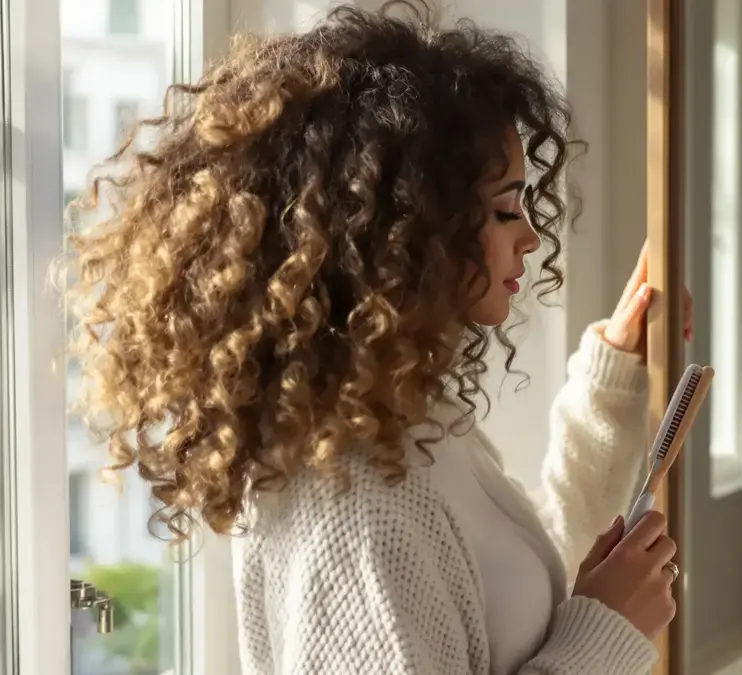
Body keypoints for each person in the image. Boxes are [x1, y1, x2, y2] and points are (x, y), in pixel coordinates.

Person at [59, 3, 691, 674]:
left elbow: (506, 607)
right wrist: (606, 633)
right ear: (408, 231)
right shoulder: (353, 498)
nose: (530, 238)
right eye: (506, 208)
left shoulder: (401, 431)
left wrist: (611, 379)